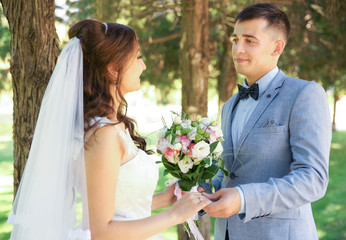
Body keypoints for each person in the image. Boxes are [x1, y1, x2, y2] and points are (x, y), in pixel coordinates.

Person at [8, 19, 210, 240]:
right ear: (114, 70)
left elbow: (118, 207)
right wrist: (173, 216)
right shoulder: (102, 135)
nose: (143, 66)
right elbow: (100, 231)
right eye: (138, 57)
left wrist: (162, 199)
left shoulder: (109, 127)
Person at [201, 3, 331, 240]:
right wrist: (203, 188)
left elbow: (313, 179)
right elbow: (232, 170)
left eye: (250, 41)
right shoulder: (230, 104)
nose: (237, 48)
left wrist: (244, 199)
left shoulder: (304, 94)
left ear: (277, 48)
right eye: (235, 39)